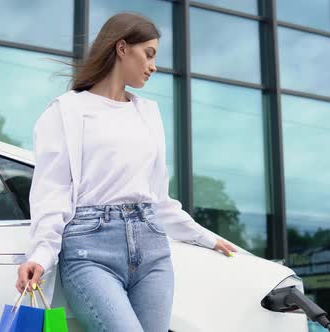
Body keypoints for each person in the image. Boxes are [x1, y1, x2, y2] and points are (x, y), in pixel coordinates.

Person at [15, 12, 238, 331]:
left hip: (152, 250)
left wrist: (207, 238)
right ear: (122, 48)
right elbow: (53, 193)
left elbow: (160, 200)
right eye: (148, 54)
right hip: (91, 249)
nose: (154, 66)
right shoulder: (66, 111)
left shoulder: (148, 114)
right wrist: (41, 254)